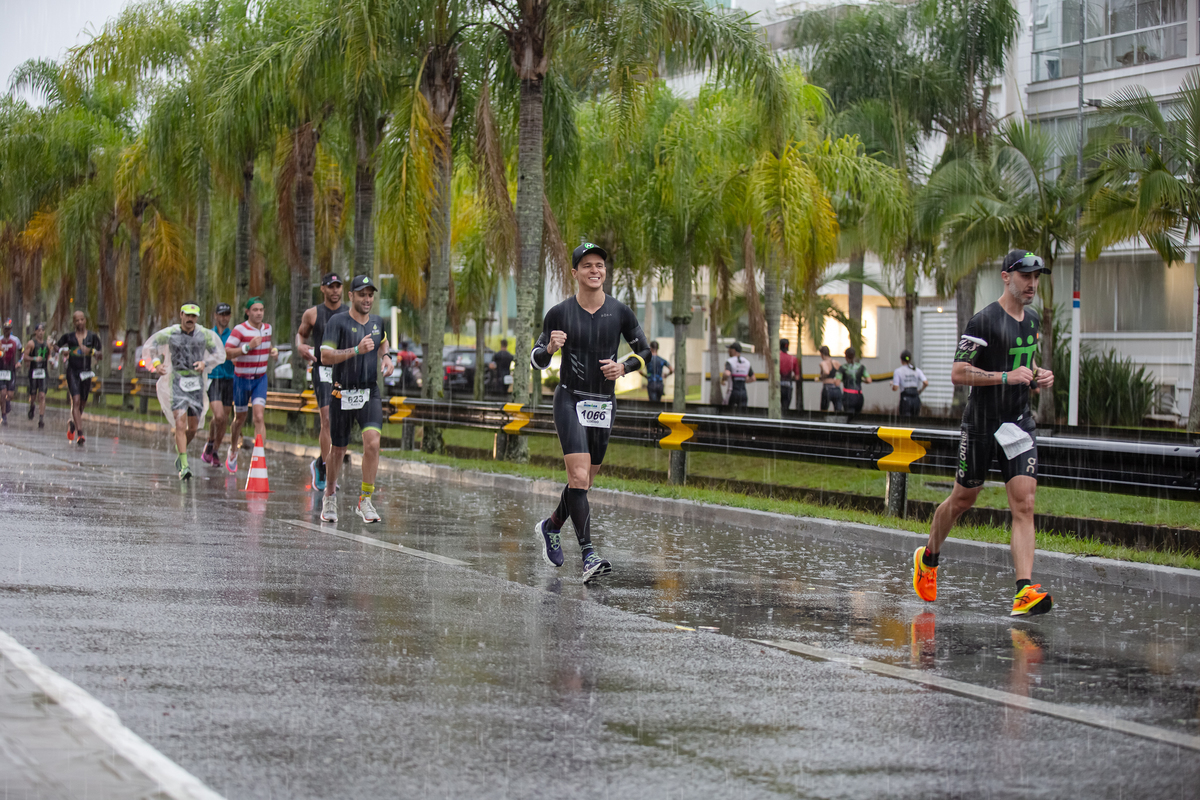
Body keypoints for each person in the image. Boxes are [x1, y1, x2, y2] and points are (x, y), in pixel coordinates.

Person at [912, 249, 1057, 617]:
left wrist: (1037, 374)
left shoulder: (1033, 321)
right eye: (1025, 276)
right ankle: (929, 557)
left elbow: (1023, 360)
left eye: (1036, 277)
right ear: (1006, 276)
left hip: (1017, 422)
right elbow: (958, 373)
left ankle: (1024, 590)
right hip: (981, 423)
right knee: (963, 500)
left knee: (1024, 503)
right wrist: (1004, 377)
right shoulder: (983, 321)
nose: (1032, 284)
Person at [530, 242, 651, 583]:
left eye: (599, 265)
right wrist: (550, 348)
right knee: (580, 478)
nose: (595, 270)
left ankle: (551, 526)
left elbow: (645, 351)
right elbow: (535, 359)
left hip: (603, 404)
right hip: (569, 399)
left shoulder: (621, 312)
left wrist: (625, 367)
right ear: (575, 273)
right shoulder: (559, 313)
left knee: (583, 481)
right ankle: (589, 555)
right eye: (587, 266)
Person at [319, 274, 394, 523]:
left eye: (370, 294)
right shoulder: (337, 322)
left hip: (369, 391)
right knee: (339, 449)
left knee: (372, 443)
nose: (367, 299)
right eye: (362, 294)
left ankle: (365, 500)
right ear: (351, 296)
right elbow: (326, 357)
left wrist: (387, 357)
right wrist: (355, 350)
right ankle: (329, 494)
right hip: (342, 392)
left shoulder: (377, 322)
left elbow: (382, 342)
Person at [142, 304, 227, 480]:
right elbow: (150, 347)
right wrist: (156, 364)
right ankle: (184, 465)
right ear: (181, 315)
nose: (190, 319)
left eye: (194, 316)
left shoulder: (204, 335)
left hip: (196, 385)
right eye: (187, 315)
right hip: (177, 384)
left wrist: (206, 363)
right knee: (180, 424)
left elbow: (219, 353)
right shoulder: (170, 333)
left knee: (193, 427)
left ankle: (181, 453)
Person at [296, 273, 346, 490]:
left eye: (338, 287)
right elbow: (301, 335)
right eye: (330, 287)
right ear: (323, 289)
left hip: (344, 371)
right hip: (322, 370)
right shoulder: (313, 314)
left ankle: (319, 462)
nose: (335, 291)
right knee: (326, 418)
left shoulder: (350, 313)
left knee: (340, 424)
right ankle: (326, 469)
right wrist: (300, 346)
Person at [224, 298, 277, 472]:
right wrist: (247, 347)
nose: (259, 313)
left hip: (260, 379)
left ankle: (259, 456)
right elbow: (227, 352)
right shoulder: (240, 330)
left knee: (259, 416)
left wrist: (272, 351)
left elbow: (267, 346)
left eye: (261, 309)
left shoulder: (267, 329)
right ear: (248, 312)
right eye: (255, 310)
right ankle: (233, 449)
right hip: (241, 379)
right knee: (239, 419)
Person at [56, 311, 102, 445]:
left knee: (81, 403)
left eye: (82, 319)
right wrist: (61, 351)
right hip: (72, 371)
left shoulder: (93, 337)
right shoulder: (69, 337)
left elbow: (100, 354)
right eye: (77, 320)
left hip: (86, 373)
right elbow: (55, 346)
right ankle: (80, 434)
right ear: (74, 322)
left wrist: (92, 352)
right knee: (75, 400)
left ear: (85, 320)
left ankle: (72, 423)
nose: (80, 322)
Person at [201, 304, 235, 466]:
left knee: (224, 419)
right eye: (221, 314)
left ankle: (214, 450)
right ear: (215, 316)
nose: (224, 317)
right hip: (213, 378)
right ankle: (210, 441)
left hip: (230, 379)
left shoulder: (234, 336)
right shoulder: (209, 335)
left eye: (227, 314)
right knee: (218, 416)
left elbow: (238, 354)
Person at [22, 324, 52, 428]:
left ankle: (41, 419)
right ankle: (32, 406)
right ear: (35, 332)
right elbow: (24, 357)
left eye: (42, 330)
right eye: (38, 330)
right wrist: (34, 359)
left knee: (42, 395)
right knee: (33, 394)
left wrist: (52, 361)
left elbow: (49, 355)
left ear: (44, 332)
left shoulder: (47, 344)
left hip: (43, 372)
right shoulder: (31, 343)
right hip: (33, 372)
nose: (40, 332)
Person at [892, 350, 928, 418]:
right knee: (914, 420)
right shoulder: (917, 370)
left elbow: (895, 387)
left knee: (905, 421)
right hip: (916, 398)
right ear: (910, 359)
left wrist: (893, 384)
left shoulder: (898, 371)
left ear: (901, 360)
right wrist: (920, 391)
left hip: (905, 398)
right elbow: (926, 383)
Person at [838, 347, 871, 415]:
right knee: (858, 416)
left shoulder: (843, 368)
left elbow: (837, 382)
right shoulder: (861, 367)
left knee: (849, 415)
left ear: (846, 357)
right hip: (859, 395)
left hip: (848, 394)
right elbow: (869, 380)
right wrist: (861, 380)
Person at [0, 319, 20, 426]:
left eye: (8, 329)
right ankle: (3, 415)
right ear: (3, 330)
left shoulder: (15, 341)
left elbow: (21, 351)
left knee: (10, 395)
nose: (6, 331)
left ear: (11, 329)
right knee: (3, 393)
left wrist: (18, 362)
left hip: (11, 369)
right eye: (5, 329)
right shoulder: (0, 341)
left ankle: (7, 402)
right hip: (1, 369)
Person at [722, 342, 754, 408]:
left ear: (733, 350)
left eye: (729, 349)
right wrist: (743, 380)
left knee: (728, 411)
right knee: (742, 413)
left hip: (732, 392)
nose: (728, 351)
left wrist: (723, 380)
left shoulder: (730, 361)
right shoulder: (746, 362)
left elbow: (727, 373)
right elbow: (753, 378)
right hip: (743, 393)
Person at [817, 345, 842, 412]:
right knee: (838, 410)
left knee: (824, 409)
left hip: (827, 388)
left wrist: (821, 377)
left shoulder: (823, 363)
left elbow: (826, 372)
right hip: (837, 388)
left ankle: (824, 422)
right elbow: (841, 371)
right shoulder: (836, 362)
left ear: (822, 354)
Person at [779, 338, 800, 412]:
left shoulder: (776, 358)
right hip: (788, 386)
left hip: (778, 386)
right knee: (786, 407)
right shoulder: (793, 359)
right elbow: (797, 377)